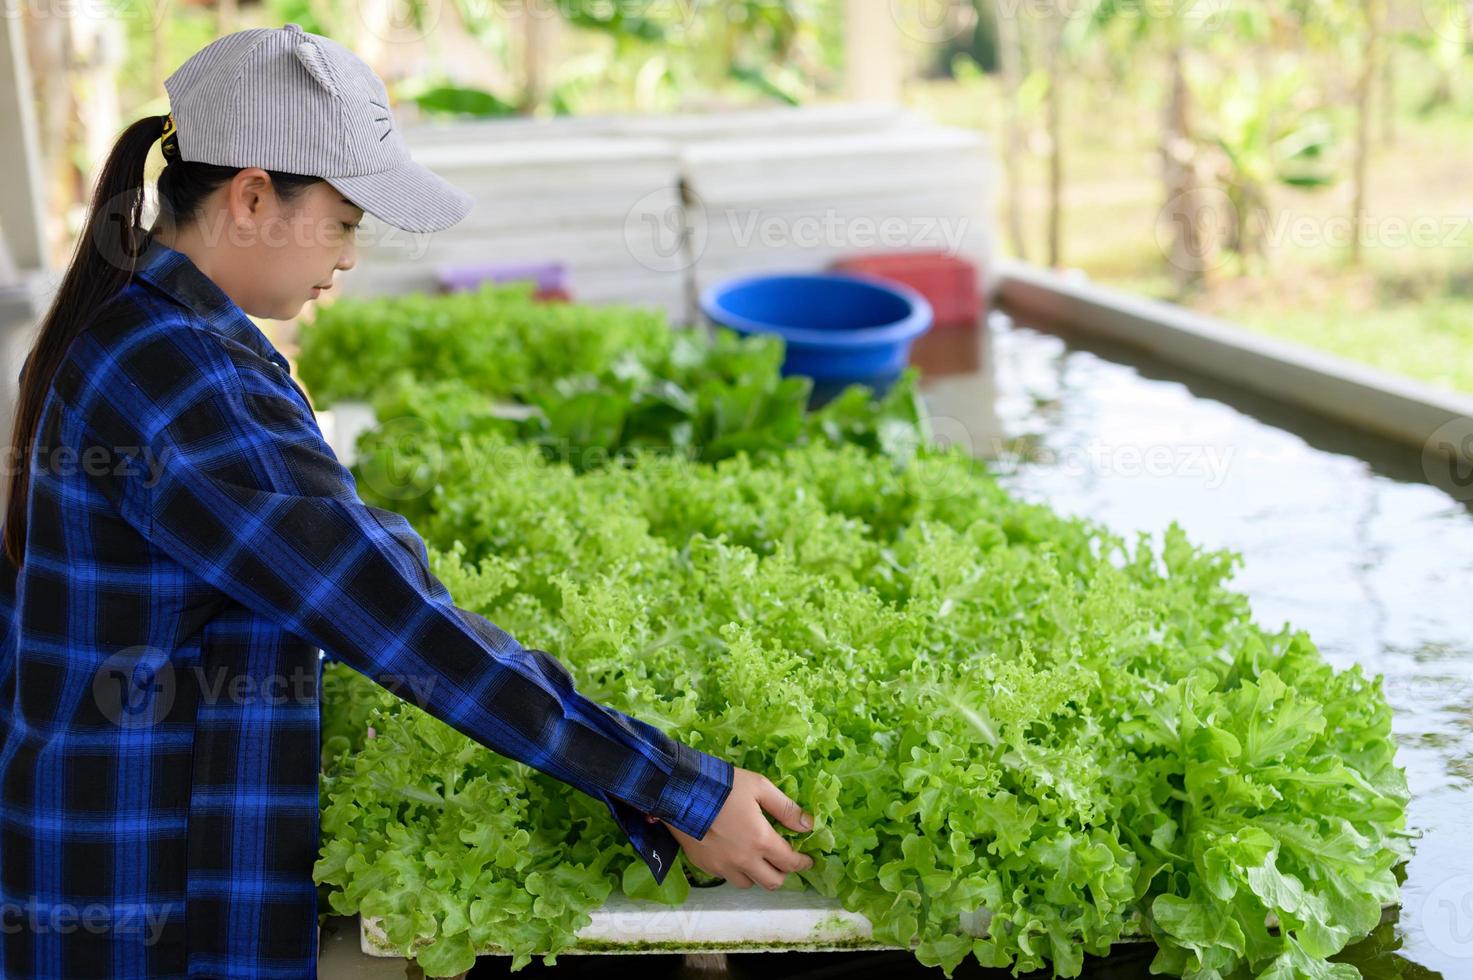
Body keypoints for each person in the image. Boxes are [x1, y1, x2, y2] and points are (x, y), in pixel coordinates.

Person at [0, 23, 813, 979]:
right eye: (344, 220)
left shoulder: (141, 322)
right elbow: (400, 622)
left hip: (106, 851)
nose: (349, 257)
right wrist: (680, 788)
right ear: (253, 195)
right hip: (144, 895)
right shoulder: (186, 382)